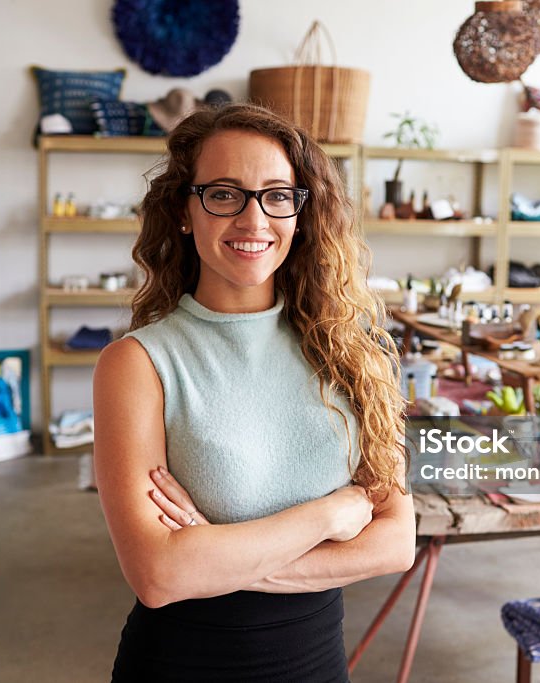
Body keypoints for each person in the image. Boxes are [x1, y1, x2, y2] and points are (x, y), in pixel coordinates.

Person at [93, 103, 415, 682]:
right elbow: (159, 576)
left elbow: (395, 543)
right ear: (185, 211)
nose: (253, 219)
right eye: (224, 194)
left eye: (276, 195)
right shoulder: (137, 365)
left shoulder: (349, 351)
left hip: (318, 666)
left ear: (299, 213)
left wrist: (216, 556)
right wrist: (329, 513)